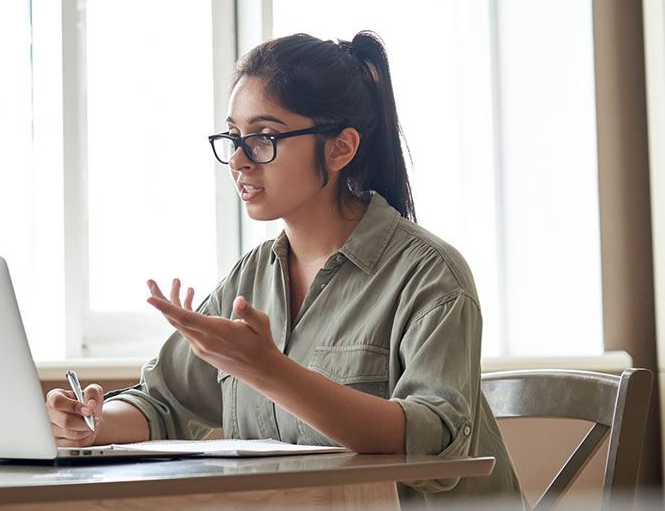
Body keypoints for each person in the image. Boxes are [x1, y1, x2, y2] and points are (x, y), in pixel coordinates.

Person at [45, 32, 523, 506]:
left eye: (264, 138)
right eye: (233, 137)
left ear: (340, 148)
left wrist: (268, 370)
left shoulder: (431, 276)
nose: (238, 160)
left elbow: (436, 446)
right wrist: (91, 422)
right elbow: (163, 401)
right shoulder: (250, 280)